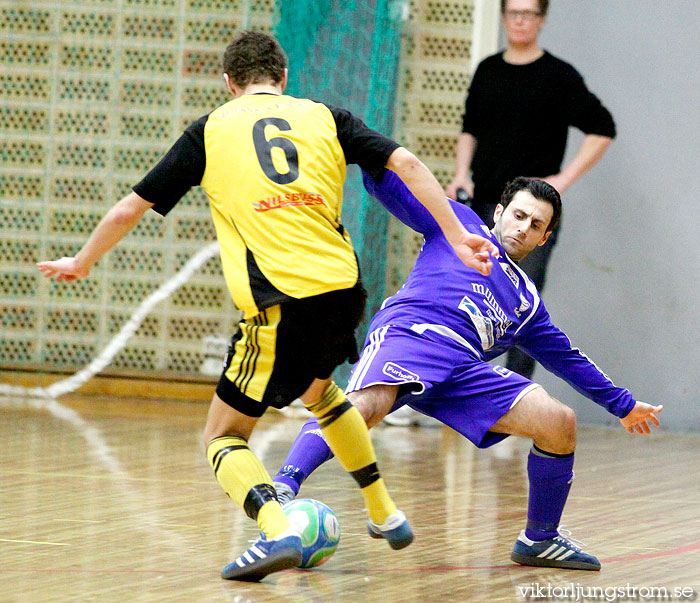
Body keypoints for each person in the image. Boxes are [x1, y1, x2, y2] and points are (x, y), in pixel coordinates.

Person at [36, 31, 499, 582]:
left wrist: (83, 259)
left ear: (229, 83)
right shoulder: (326, 116)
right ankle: (385, 512)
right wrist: (455, 233)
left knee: (222, 436)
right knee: (322, 394)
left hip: (280, 301)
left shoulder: (209, 130)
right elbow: (409, 164)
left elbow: (127, 210)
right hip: (343, 293)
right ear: (283, 79)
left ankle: (278, 531)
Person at [272, 170, 663, 571]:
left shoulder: (527, 303)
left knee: (558, 421)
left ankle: (540, 539)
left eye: (536, 225)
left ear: (544, 238)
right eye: (519, 215)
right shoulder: (459, 225)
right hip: (414, 335)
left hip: (463, 368)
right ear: (499, 211)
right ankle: (283, 487)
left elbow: (567, 359)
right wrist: (368, 157)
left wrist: (624, 406)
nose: (523, 227)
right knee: (368, 405)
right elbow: (393, 190)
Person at [445, 0, 616, 381]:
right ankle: (456, 383)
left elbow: (602, 128)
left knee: (520, 299)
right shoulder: (488, 70)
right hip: (488, 200)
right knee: (471, 290)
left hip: (535, 207)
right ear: (504, 17)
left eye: (529, 14)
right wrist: (461, 174)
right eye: (513, 13)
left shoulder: (558, 76)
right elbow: (469, 129)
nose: (520, 21)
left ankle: (516, 391)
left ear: (541, 20)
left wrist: (563, 180)